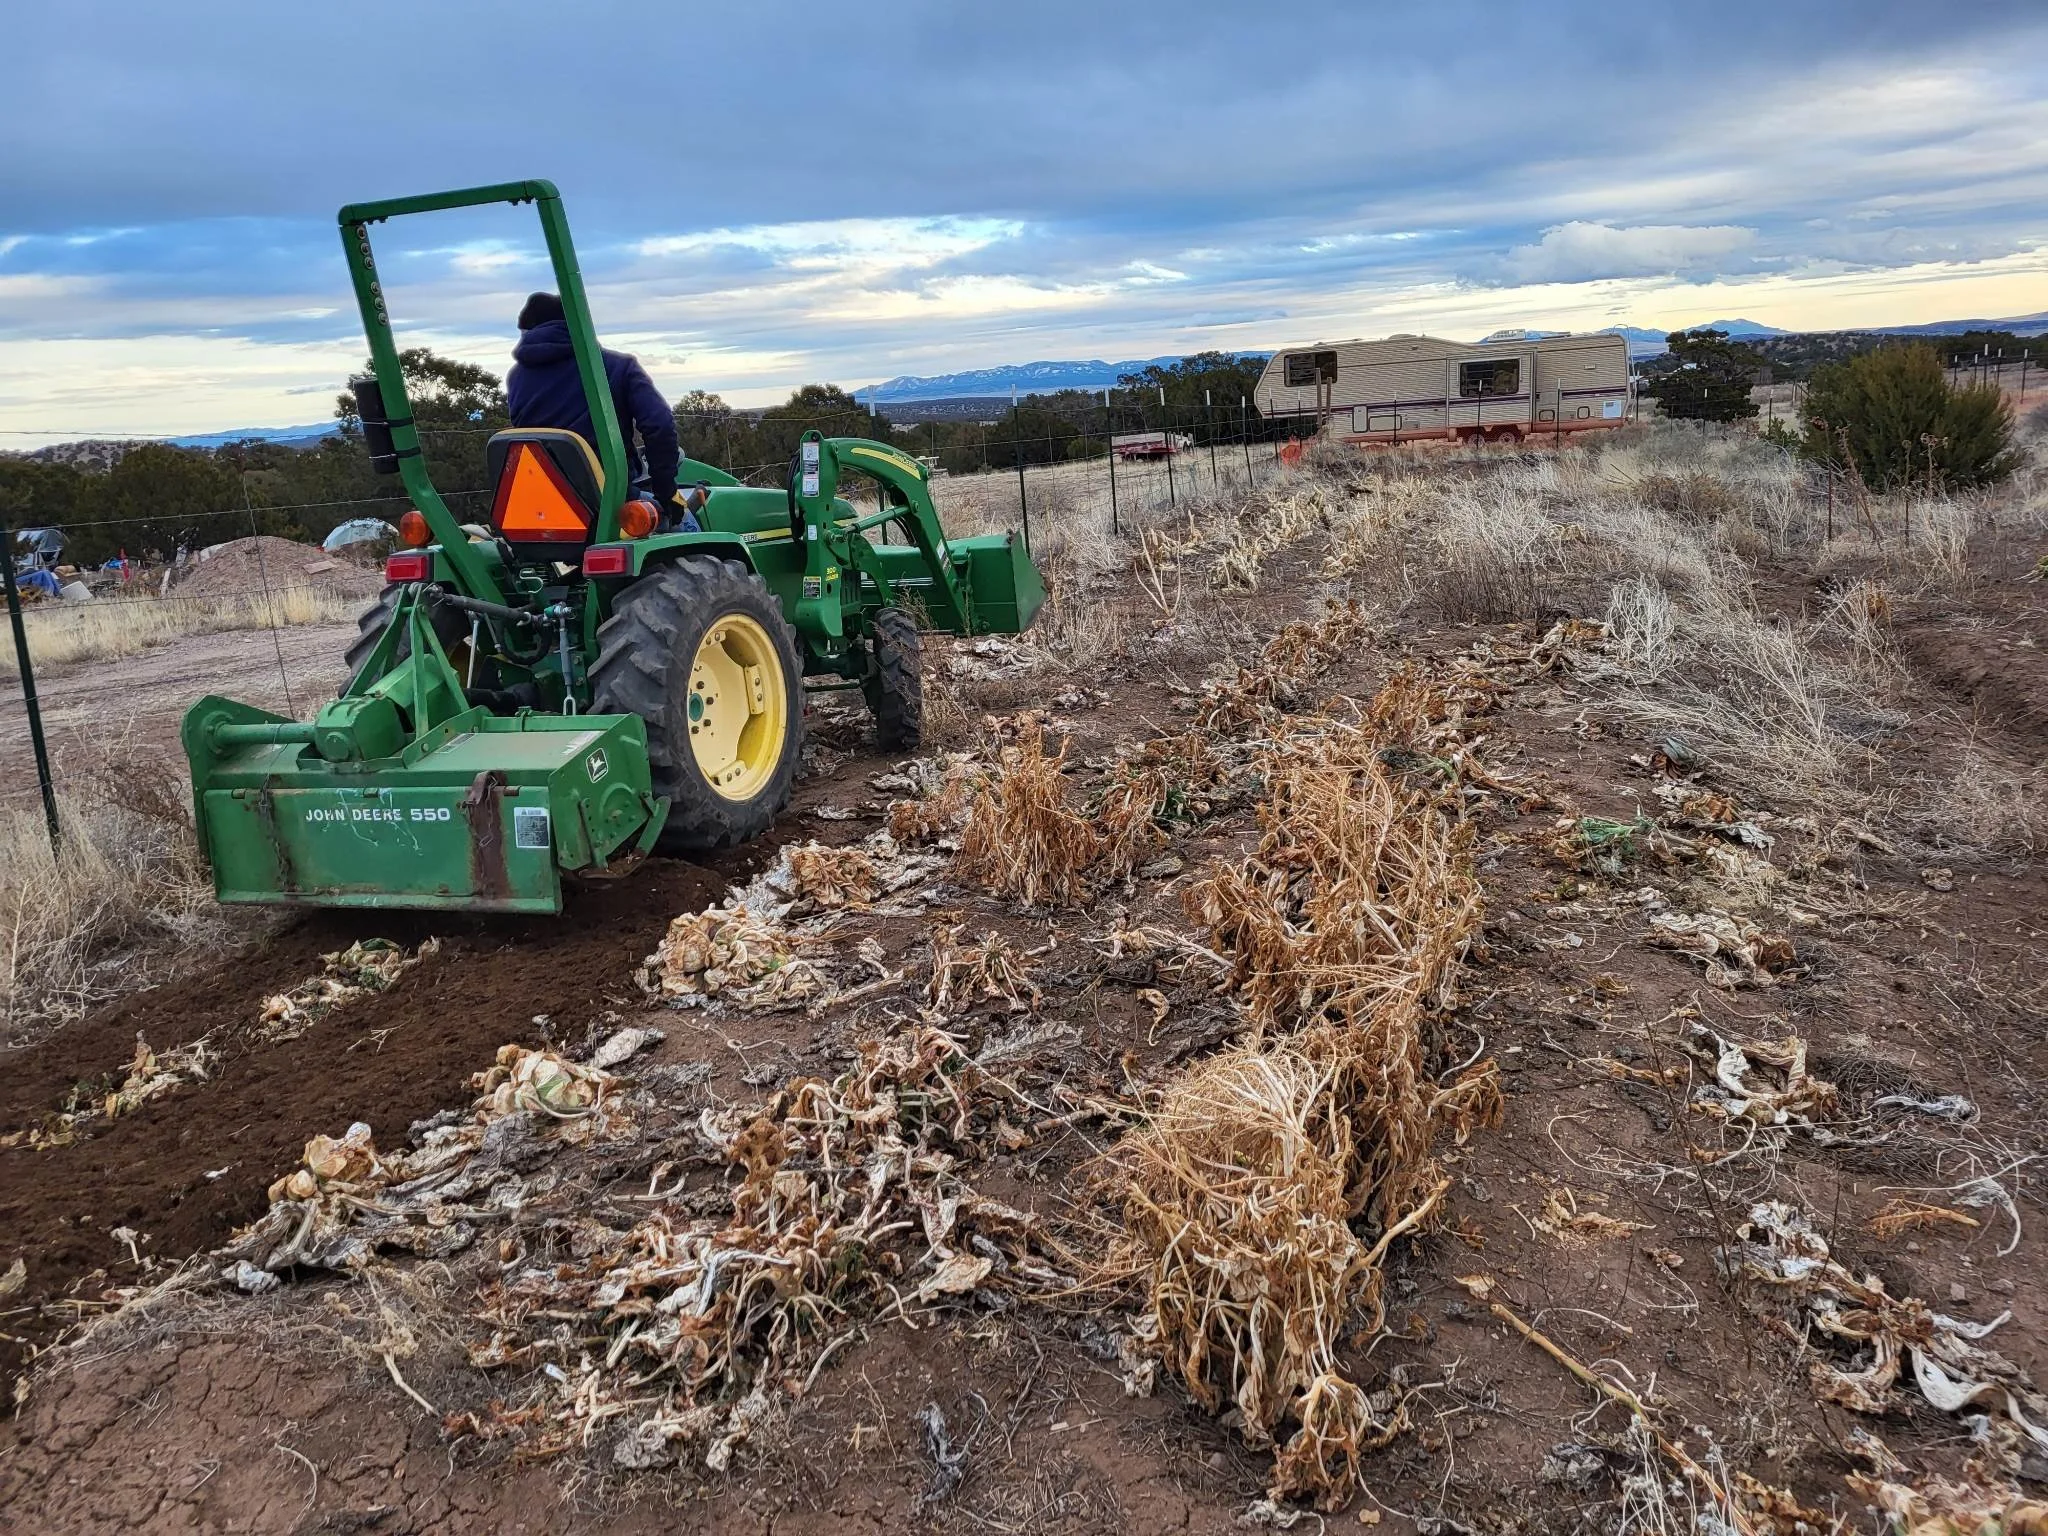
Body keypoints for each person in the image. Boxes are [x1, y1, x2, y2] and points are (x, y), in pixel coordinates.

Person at [506, 293, 694, 529]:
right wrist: (666, 492)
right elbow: (659, 426)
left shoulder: (516, 379)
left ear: (527, 331)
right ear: (580, 325)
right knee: (688, 522)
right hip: (608, 504)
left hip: (545, 510)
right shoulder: (616, 367)